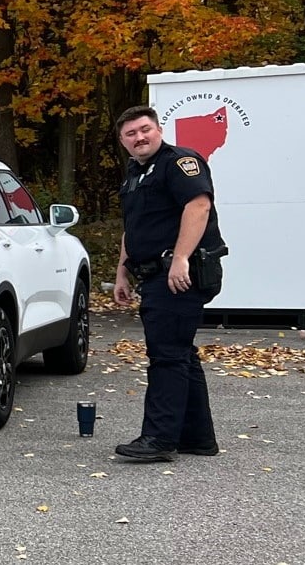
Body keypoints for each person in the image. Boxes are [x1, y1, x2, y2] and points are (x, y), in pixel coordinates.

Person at [112, 105, 227, 462]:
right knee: (180, 354)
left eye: (145, 129)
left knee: (167, 356)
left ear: (158, 130)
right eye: (131, 134)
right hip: (154, 273)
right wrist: (122, 270)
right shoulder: (136, 173)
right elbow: (135, 227)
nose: (139, 137)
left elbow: (198, 206)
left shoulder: (179, 162)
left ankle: (159, 439)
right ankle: (198, 438)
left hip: (180, 274)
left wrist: (179, 259)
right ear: (123, 141)